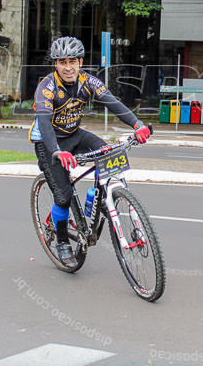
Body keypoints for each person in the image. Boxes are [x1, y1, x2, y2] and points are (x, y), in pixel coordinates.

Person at [30, 36, 150, 268]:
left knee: (108, 153)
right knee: (63, 197)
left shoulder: (88, 81)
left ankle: (102, 198)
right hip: (49, 142)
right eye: (62, 62)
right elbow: (45, 124)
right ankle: (63, 242)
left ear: (80, 61)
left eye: (72, 61)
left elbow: (113, 102)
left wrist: (137, 125)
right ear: (55, 64)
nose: (68, 67)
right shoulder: (46, 88)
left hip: (74, 134)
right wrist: (56, 151)